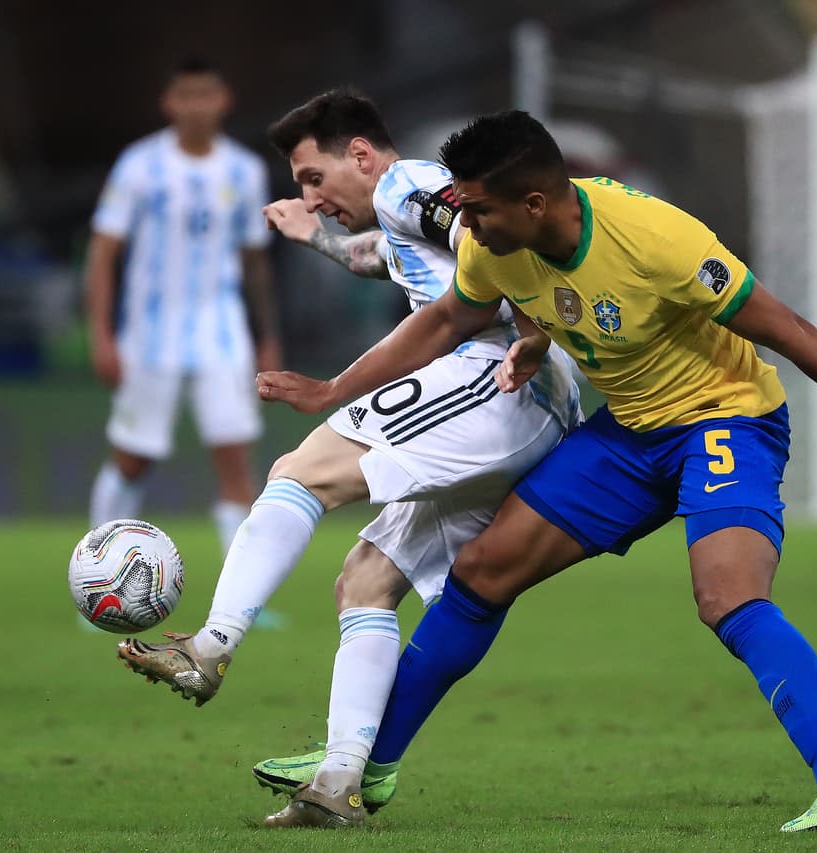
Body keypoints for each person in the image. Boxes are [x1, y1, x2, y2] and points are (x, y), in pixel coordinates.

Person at [256, 111, 817, 832]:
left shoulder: (655, 237)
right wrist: (331, 390)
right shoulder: (492, 243)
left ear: (534, 204)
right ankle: (365, 769)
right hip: (632, 432)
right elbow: (445, 321)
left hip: (725, 418)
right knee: (483, 569)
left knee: (727, 596)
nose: (463, 226)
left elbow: (787, 329)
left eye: (476, 209)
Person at [115, 92, 580, 827]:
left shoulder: (406, 184)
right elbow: (384, 257)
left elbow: (477, 227)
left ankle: (210, 645)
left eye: (311, 177)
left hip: (494, 376)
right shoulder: (396, 220)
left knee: (299, 473)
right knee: (363, 583)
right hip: (525, 402)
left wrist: (527, 324)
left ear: (361, 155)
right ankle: (337, 784)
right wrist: (315, 235)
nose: (310, 195)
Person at [85, 59, 281, 557]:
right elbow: (103, 253)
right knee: (133, 458)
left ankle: (242, 599)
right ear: (169, 103)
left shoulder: (245, 170)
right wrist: (101, 334)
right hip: (152, 335)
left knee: (235, 457)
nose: (196, 106)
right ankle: (98, 574)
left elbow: (255, 263)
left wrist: (268, 338)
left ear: (223, 100)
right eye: (186, 96)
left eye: (206, 95)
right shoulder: (139, 165)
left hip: (222, 331)